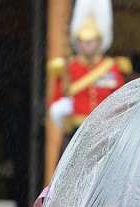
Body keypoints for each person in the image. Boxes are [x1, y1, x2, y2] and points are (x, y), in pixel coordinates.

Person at [48, 0, 131, 154]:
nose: (87, 45)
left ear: (99, 41)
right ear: (77, 42)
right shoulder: (69, 67)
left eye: (91, 41)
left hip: (104, 131)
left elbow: (121, 99)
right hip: (76, 132)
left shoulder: (112, 67)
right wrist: (60, 109)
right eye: (83, 41)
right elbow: (55, 99)